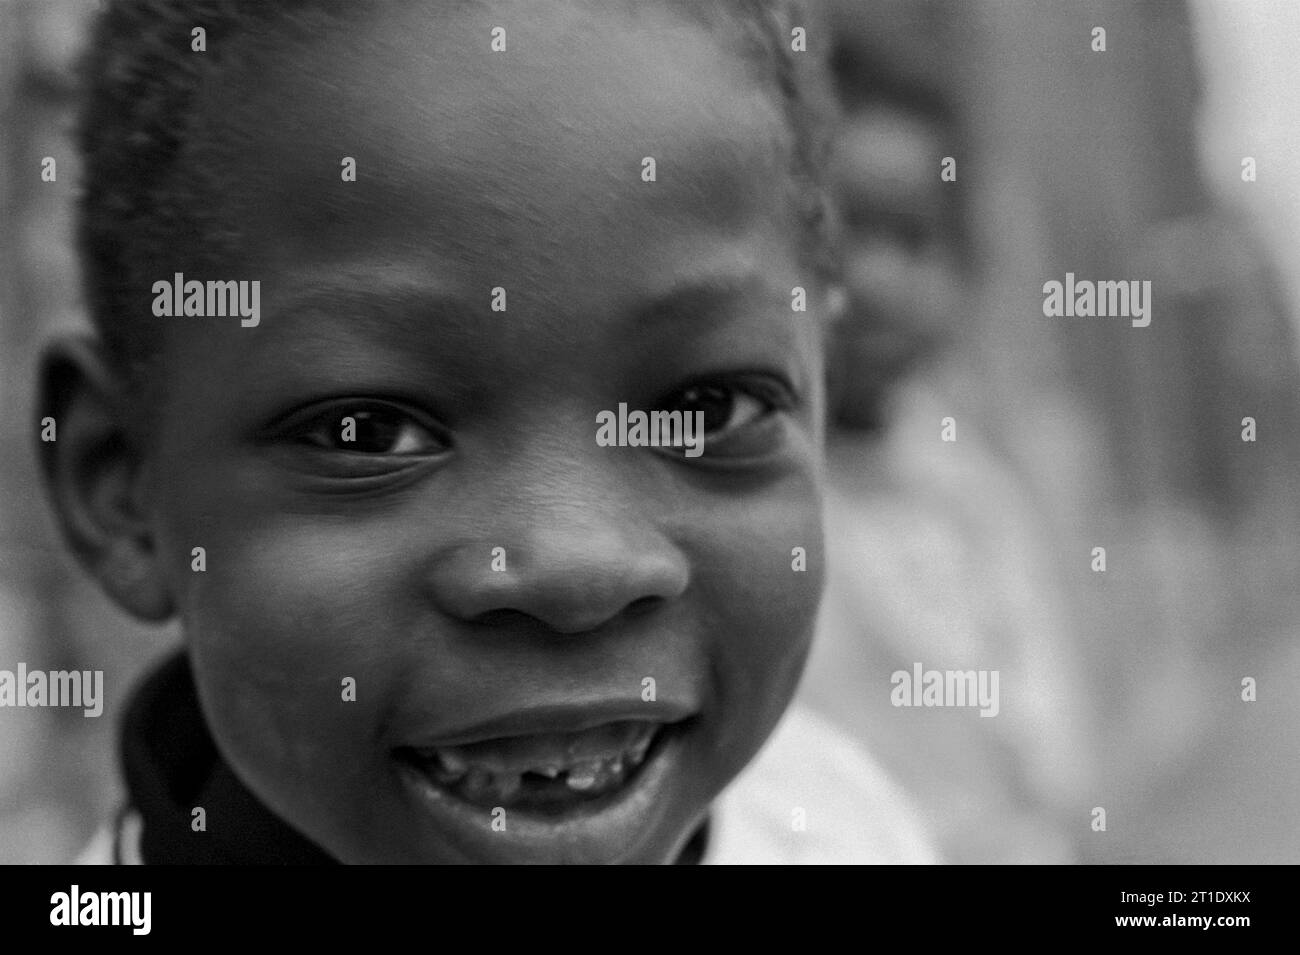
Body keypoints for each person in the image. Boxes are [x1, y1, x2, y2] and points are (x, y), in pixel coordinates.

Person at [41, 0, 934, 864]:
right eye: (369, 431)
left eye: (706, 410)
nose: (574, 566)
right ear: (119, 480)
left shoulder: (840, 821)